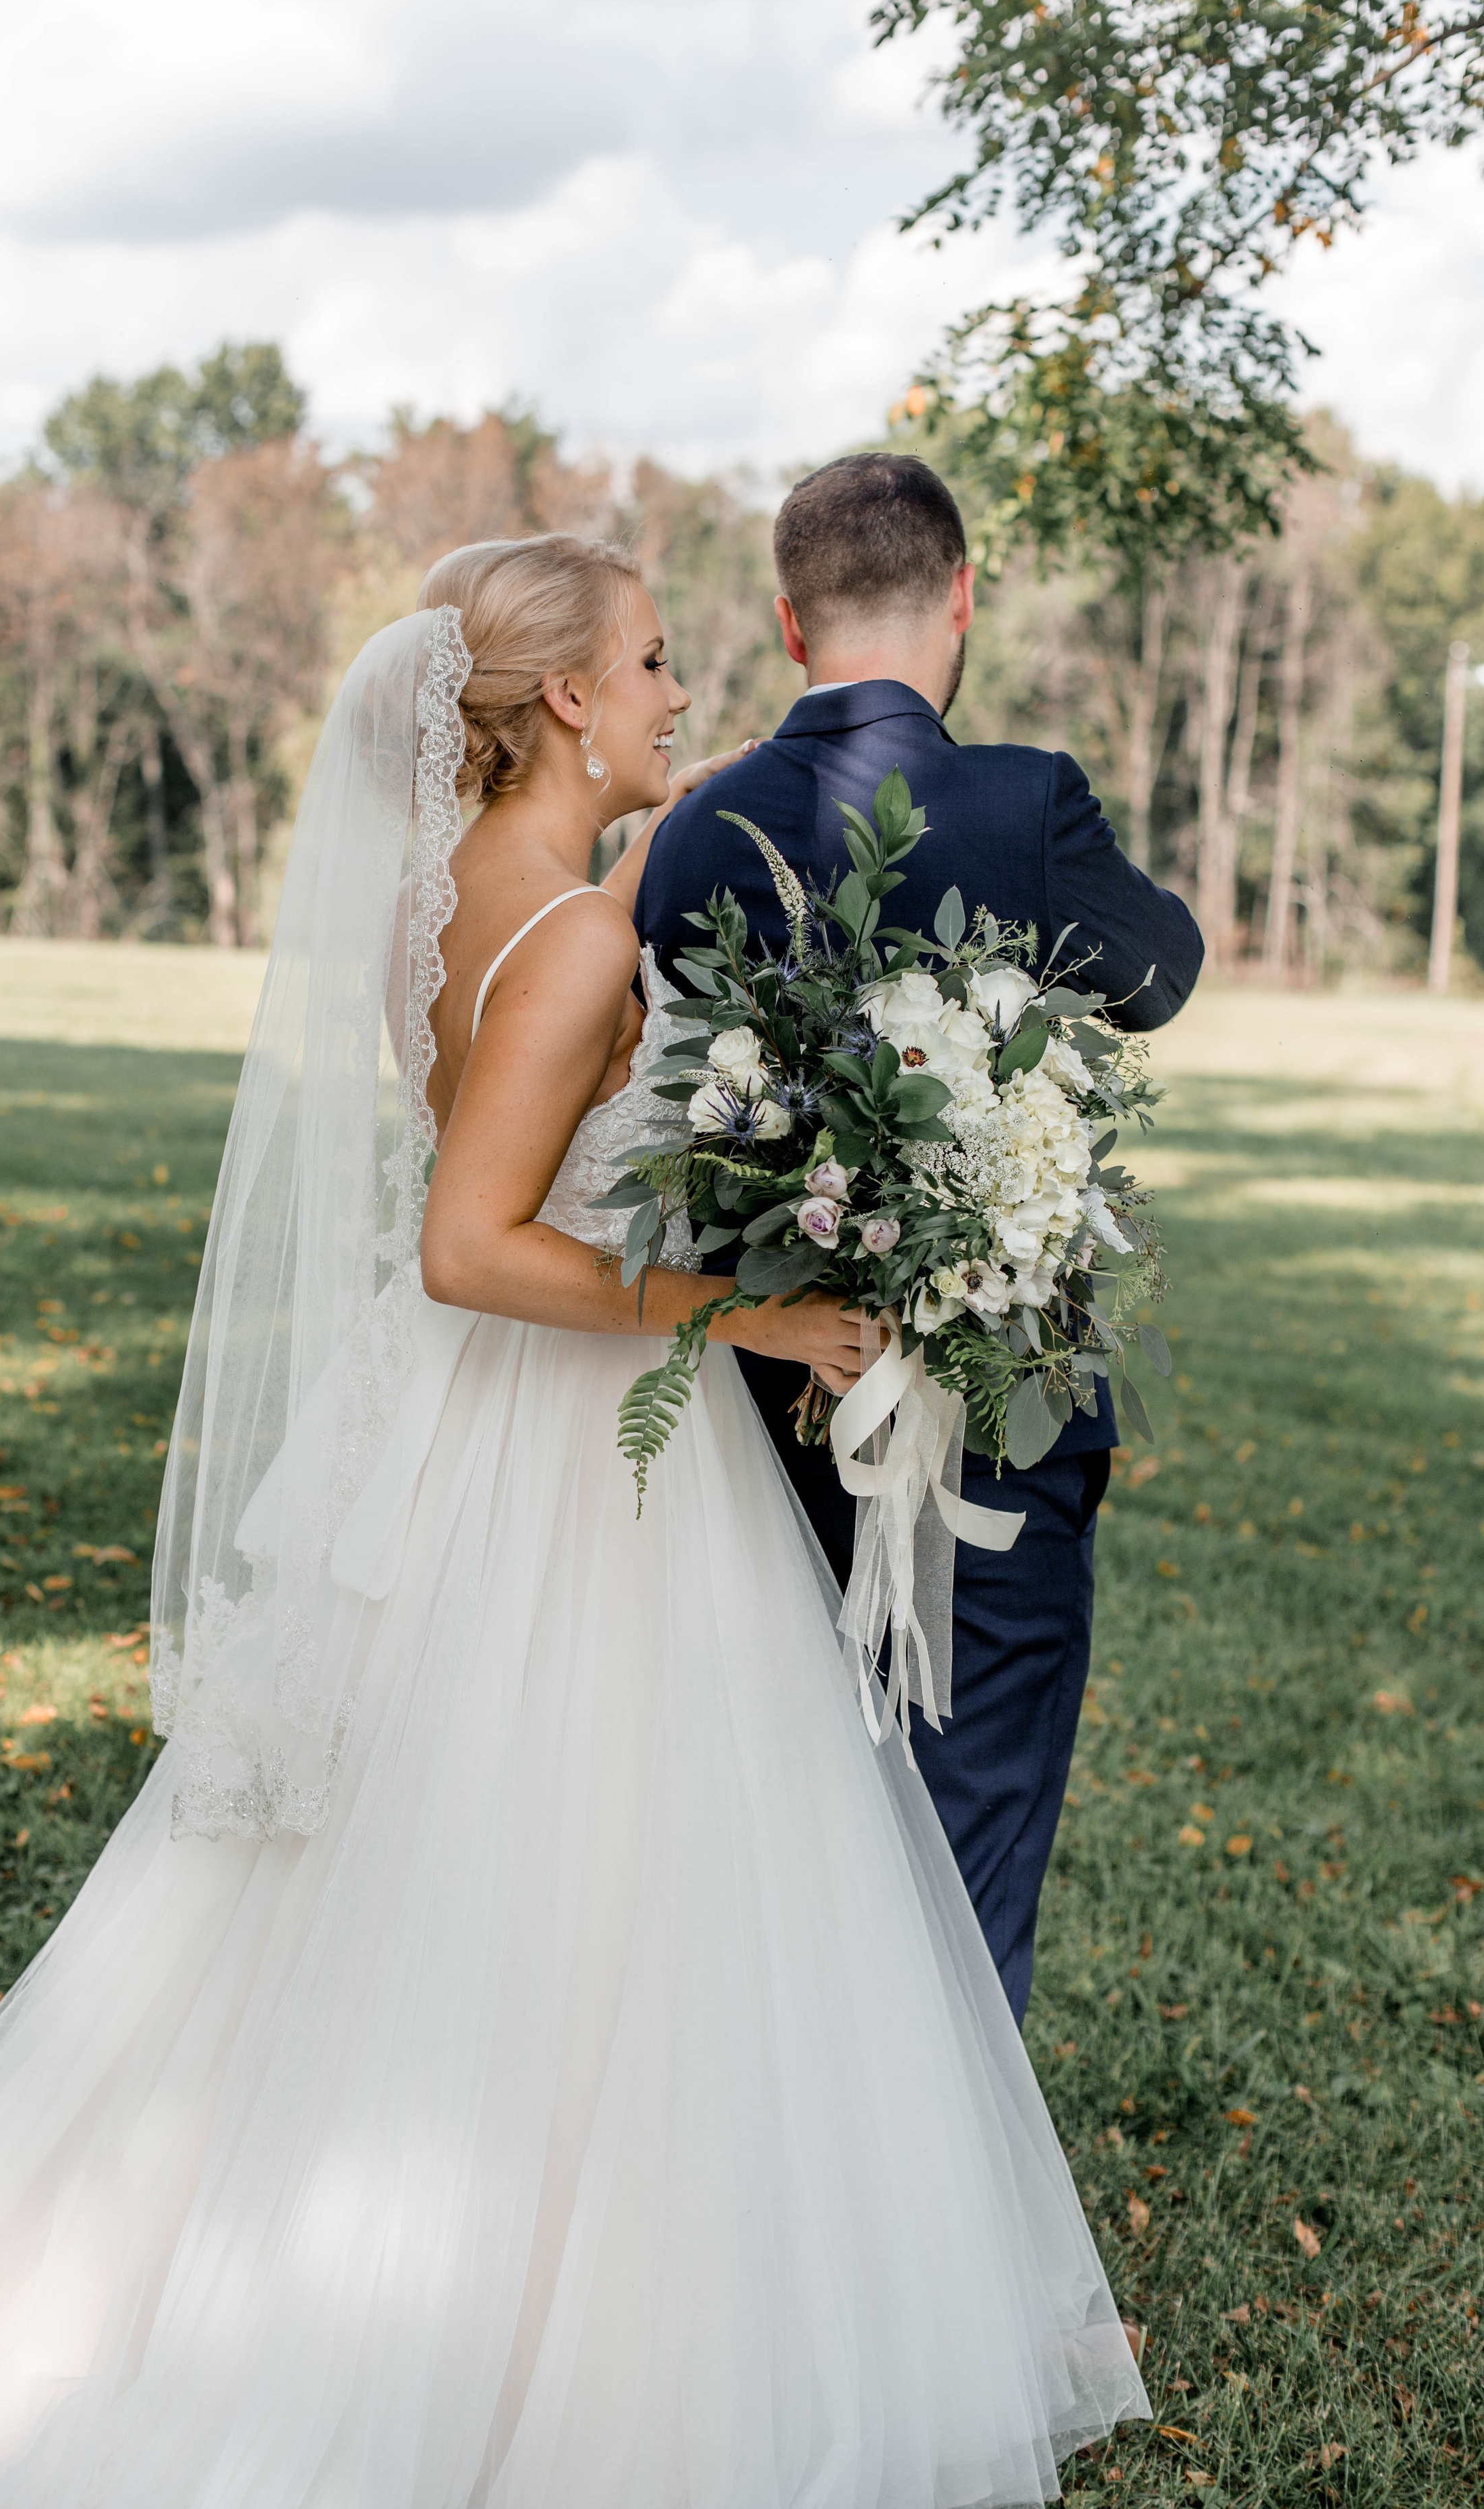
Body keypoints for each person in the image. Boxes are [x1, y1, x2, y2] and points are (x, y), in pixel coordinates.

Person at [0, 535, 1147, 2506]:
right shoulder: (579, 931)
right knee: (585, 1859)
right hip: (557, 1449)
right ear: (571, 701)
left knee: (489, 1863)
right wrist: (752, 1302)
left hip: (492, 1442)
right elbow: (463, 1246)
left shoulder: (471, 904)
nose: (686, 696)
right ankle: (532, 2331)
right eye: (660, 662)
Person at [633, 454, 1204, 2024]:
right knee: (973, 1838)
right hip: (998, 1412)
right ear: (961, 596)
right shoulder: (1025, 802)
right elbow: (1159, 974)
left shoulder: (696, 830)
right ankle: (952, 2224)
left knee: (776, 1828)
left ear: (786, 617)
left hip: (765, 1414)